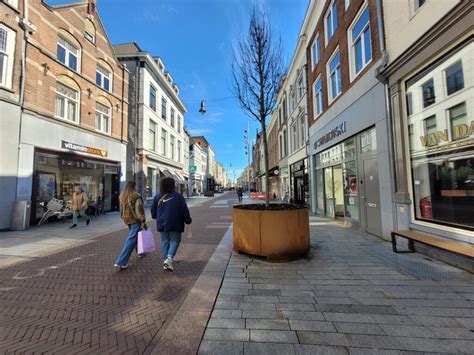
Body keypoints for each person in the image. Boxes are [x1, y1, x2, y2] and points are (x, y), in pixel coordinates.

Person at [151, 177, 192, 272]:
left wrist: (156, 216)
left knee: (164, 241)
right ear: (173, 185)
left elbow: (153, 211)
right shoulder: (178, 196)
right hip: (175, 223)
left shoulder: (157, 196)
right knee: (175, 240)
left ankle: (166, 262)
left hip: (162, 223)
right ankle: (169, 259)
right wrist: (188, 220)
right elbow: (184, 210)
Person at [114, 181, 146, 269]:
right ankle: (121, 261)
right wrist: (143, 220)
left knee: (136, 235)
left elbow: (122, 209)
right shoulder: (136, 196)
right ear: (134, 187)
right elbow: (140, 210)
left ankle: (140, 251)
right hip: (136, 219)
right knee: (131, 238)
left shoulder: (123, 195)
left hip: (127, 219)